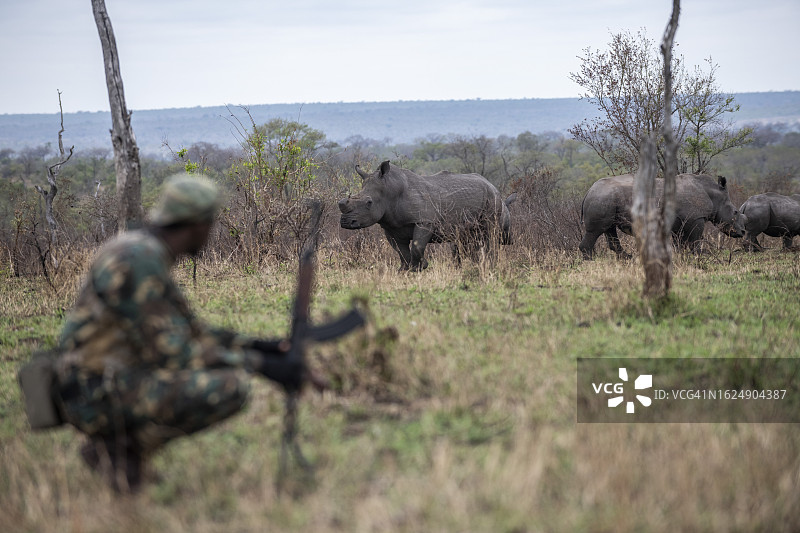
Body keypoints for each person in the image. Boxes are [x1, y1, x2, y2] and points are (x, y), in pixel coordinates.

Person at [54, 173, 304, 493]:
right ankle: (117, 453)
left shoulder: (145, 252)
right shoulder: (138, 259)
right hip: (93, 390)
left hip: (105, 378)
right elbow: (174, 353)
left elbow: (192, 331)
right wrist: (259, 365)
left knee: (226, 373)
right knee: (230, 387)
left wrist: (262, 346)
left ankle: (120, 452)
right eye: (211, 225)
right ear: (198, 224)